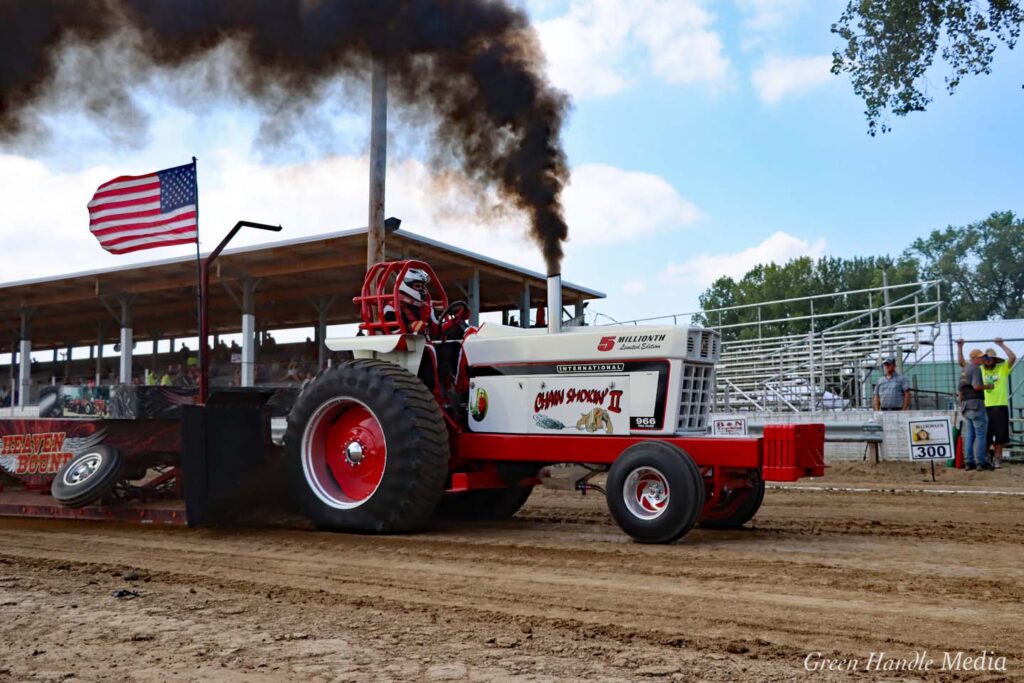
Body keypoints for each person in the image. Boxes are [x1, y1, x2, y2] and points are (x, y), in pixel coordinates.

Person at [957, 344, 994, 470]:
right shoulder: (976, 369)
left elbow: (960, 391)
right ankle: (981, 462)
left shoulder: (964, 370)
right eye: (980, 357)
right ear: (974, 358)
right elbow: (977, 386)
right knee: (980, 434)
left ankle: (969, 462)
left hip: (966, 406)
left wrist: (961, 405)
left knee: (970, 434)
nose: (983, 359)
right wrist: (989, 386)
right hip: (976, 405)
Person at [980, 339, 1016, 469]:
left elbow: (1012, 357)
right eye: (986, 358)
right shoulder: (980, 370)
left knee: (1000, 436)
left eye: (990, 358)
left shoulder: (1002, 368)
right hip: (985, 407)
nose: (988, 360)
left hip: (1000, 406)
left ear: (995, 359)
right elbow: (964, 364)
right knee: (986, 435)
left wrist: (1001, 345)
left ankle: (997, 458)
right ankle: (984, 458)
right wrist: (960, 347)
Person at [384, 268, 438, 337]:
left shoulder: (427, 307)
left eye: (422, 286)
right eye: (418, 286)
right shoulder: (391, 307)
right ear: (405, 286)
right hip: (406, 346)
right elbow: (392, 334)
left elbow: (438, 328)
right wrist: (410, 328)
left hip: (427, 344)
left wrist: (452, 322)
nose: (421, 289)